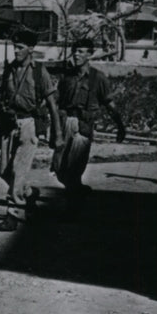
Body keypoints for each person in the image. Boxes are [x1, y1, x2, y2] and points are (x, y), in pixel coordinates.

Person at [0, 26, 62, 231]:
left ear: (31, 49)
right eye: (15, 47)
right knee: (5, 171)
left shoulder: (40, 71)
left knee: (18, 169)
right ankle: (30, 193)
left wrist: (57, 134)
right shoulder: (9, 69)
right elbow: (1, 100)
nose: (16, 51)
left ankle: (14, 213)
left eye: (20, 47)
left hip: (29, 124)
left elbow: (52, 105)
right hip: (9, 124)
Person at [52, 37, 126, 203]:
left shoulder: (97, 78)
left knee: (73, 170)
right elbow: (57, 101)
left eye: (81, 51)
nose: (76, 55)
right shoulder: (67, 77)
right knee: (58, 168)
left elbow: (109, 104)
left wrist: (120, 126)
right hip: (65, 125)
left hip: (83, 128)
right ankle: (79, 192)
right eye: (75, 51)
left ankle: (72, 209)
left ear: (90, 54)